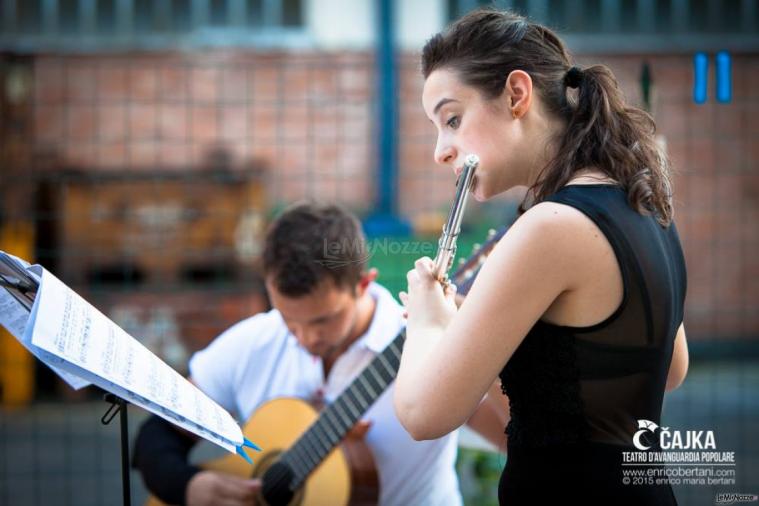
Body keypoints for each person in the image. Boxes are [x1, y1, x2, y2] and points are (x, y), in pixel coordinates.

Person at [394, 9, 689, 506]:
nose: (441, 151)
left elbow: (424, 414)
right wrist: (479, 324)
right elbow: (667, 368)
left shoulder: (548, 228)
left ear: (516, 94)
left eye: (452, 120)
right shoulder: (643, 201)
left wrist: (428, 323)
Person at [133, 202, 507, 506]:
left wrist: (474, 337)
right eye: (289, 319)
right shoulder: (255, 341)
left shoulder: (431, 346)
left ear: (364, 284)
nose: (305, 338)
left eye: (323, 320)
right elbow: (157, 433)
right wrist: (186, 486)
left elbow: (520, 442)